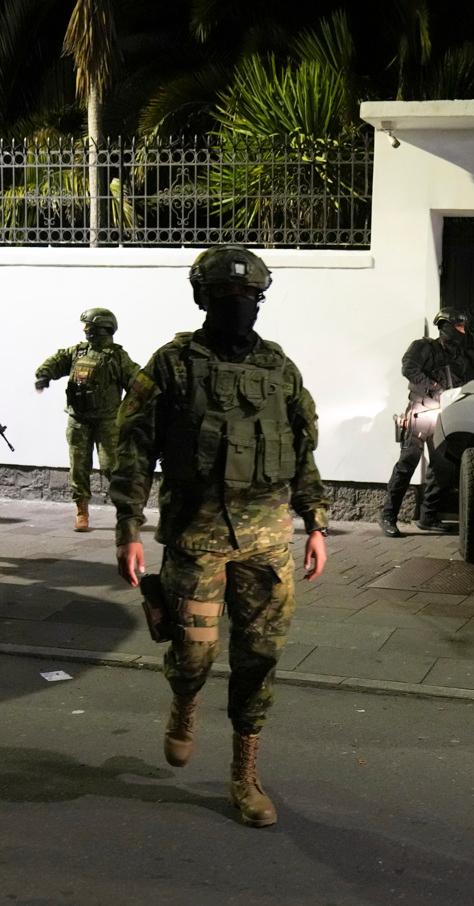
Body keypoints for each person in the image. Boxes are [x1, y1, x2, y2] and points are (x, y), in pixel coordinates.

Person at [111, 245, 330, 828]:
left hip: (267, 542)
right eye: (226, 298)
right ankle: (185, 701)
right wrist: (128, 527)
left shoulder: (280, 369)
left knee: (259, 657)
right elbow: (132, 447)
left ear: (261, 301)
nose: (239, 308)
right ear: (201, 298)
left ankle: (245, 774)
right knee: (195, 654)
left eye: (248, 298)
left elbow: (303, 449)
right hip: (196, 538)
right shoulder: (172, 365)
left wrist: (317, 523)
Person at [378, 308, 474, 537]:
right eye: (458, 327)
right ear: (445, 326)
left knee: (443, 467)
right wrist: (433, 386)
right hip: (420, 413)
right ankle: (388, 516)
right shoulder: (424, 347)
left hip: (442, 416)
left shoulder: (463, 355)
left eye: (463, 327)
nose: (462, 331)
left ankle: (428, 517)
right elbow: (409, 367)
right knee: (407, 464)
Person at [34, 308, 140, 531]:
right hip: (78, 420)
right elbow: (56, 361)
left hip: (107, 422)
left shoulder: (117, 357)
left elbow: (137, 382)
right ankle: (81, 511)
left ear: (103, 329)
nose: (86, 331)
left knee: (113, 467)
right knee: (78, 467)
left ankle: (128, 511)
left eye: (90, 327)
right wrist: (44, 374)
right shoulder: (78, 353)